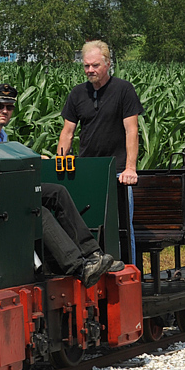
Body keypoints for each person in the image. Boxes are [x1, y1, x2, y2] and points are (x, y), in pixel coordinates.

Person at [0, 83, 122, 286]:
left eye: (9, 107)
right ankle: (79, 267)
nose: (5, 111)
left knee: (57, 192)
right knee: (38, 212)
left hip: (7, 194)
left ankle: (94, 254)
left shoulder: (0, 135)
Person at [56, 40, 143, 263]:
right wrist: (61, 164)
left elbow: (131, 131)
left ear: (107, 64)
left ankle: (127, 271)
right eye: (86, 66)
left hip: (118, 171)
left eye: (95, 65)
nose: (90, 70)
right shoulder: (77, 94)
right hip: (87, 171)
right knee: (84, 226)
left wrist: (130, 168)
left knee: (122, 226)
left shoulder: (123, 90)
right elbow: (67, 133)